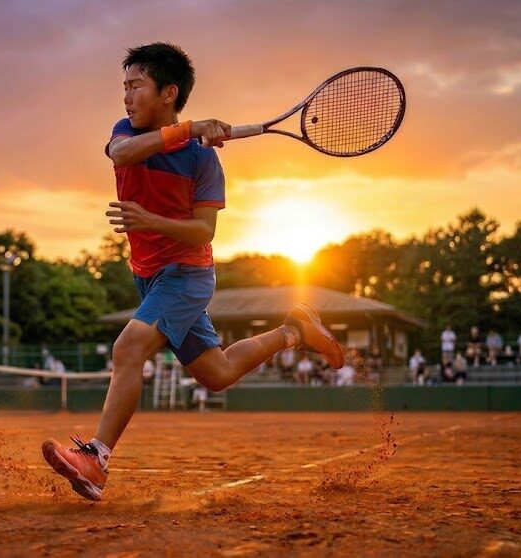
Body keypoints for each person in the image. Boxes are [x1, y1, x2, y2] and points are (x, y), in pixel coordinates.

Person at [41, 43, 344, 501]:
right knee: (216, 374)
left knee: (129, 348)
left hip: (187, 273)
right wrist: (187, 129)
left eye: (135, 86)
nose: (126, 97)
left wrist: (150, 220)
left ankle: (96, 458)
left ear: (168, 92)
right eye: (124, 87)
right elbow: (121, 155)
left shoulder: (204, 160)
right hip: (149, 275)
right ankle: (294, 332)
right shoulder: (126, 133)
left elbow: (203, 231)